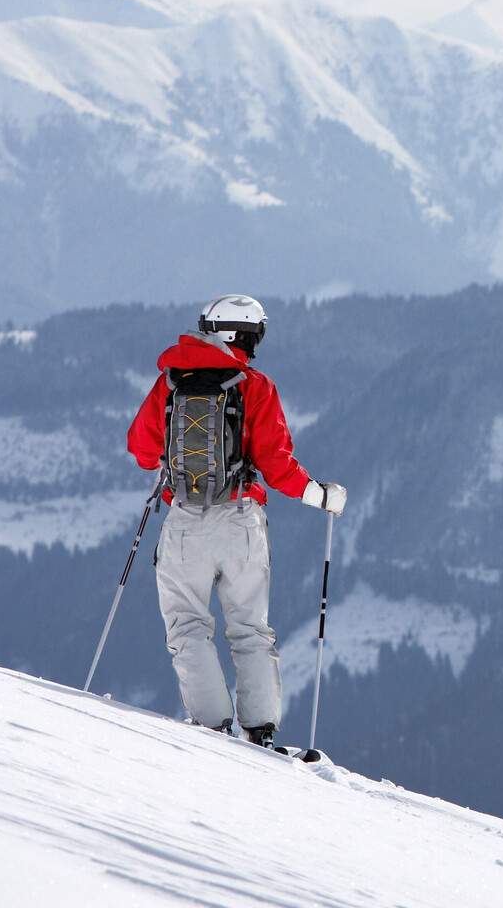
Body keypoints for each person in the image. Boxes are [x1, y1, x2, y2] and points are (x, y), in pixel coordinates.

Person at [125, 294, 346, 747]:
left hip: (185, 520)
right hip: (241, 519)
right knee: (249, 627)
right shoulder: (255, 386)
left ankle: (212, 728)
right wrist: (319, 495)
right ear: (250, 336)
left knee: (187, 625)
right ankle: (260, 730)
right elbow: (277, 462)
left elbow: (141, 451)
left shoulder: (169, 385)